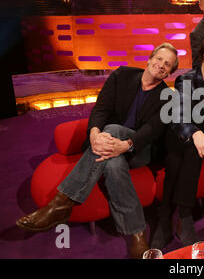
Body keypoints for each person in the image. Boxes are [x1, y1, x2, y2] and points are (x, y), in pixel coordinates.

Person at [16, 43, 179, 259]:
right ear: (149, 60)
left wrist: (126, 144)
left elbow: (152, 130)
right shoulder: (122, 75)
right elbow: (101, 108)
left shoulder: (168, 96)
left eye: (167, 65)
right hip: (104, 145)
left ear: (169, 72)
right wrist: (93, 134)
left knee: (111, 129)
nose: (161, 65)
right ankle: (137, 233)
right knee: (112, 163)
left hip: (139, 150)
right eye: (159, 59)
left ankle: (60, 204)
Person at [151, 34, 204, 249]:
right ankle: (182, 217)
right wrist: (195, 133)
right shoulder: (186, 79)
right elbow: (180, 115)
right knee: (183, 151)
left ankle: (167, 217)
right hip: (185, 134)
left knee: (183, 153)